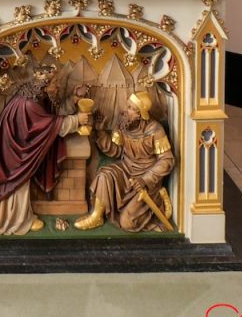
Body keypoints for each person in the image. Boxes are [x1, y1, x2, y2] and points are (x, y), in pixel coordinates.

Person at [0, 64, 91, 235]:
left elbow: (52, 115)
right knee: (16, 185)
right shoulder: (30, 104)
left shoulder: (36, 96)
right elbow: (52, 125)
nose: (58, 86)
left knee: (21, 184)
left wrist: (73, 99)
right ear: (44, 85)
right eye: (54, 83)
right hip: (13, 156)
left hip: (18, 149)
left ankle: (19, 217)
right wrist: (77, 120)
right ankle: (14, 220)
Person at [75, 89, 175, 232]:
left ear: (139, 114)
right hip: (126, 170)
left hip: (146, 179)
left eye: (130, 108)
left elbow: (166, 160)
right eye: (127, 106)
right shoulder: (124, 125)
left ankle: (159, 197)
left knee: (128, 223)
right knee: (104, 175)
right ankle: (97, 216)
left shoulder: (155, 130)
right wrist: (101, 132)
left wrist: (145, 180)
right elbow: (117, 151)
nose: (125, 110)